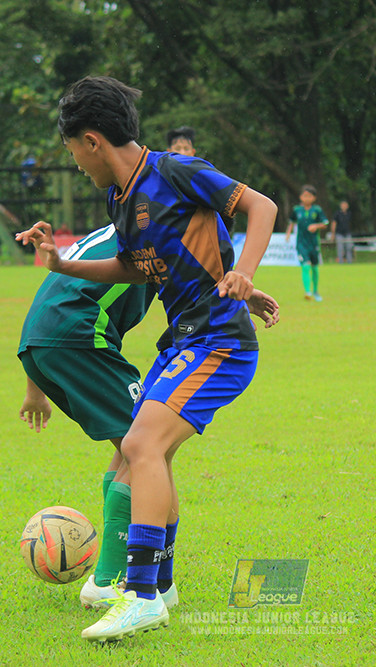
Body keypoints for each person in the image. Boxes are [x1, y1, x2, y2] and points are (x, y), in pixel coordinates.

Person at [15, 75, 277, 643]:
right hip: (182, 341)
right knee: (143, 453)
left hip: (218, 342)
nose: (79, 165)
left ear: (91, 142)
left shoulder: (175, 171)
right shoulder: (121, 197)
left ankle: (138, 597)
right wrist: (62, 265)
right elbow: (137, 269)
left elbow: (261, 206)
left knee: (140, 446)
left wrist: (245, 273)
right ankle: (159, 584)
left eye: (72, 154)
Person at [16, 223, 280, 613]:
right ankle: (110, 581)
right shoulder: (157, 217)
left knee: (135, 447)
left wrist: (34, 387)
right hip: (81, 334)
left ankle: (151, 579)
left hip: (43, 339)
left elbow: (56, 293)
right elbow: (186, 266)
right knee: (147, 447)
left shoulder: (122, 219)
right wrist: (243, 295)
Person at [285, 184, 328, 301]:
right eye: (304, 196)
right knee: (305, 266)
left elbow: (325, 223)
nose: (306, 198)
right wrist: (288, 234)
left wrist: (316, 225)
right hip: (301, 243)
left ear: (314, 198)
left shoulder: (317, 210)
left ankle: (316, 291)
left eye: (309, 196)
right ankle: (307, 291)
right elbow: (292, 222)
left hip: (313, 243)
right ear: (300, 197)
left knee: (314, 267)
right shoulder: (297, 210)